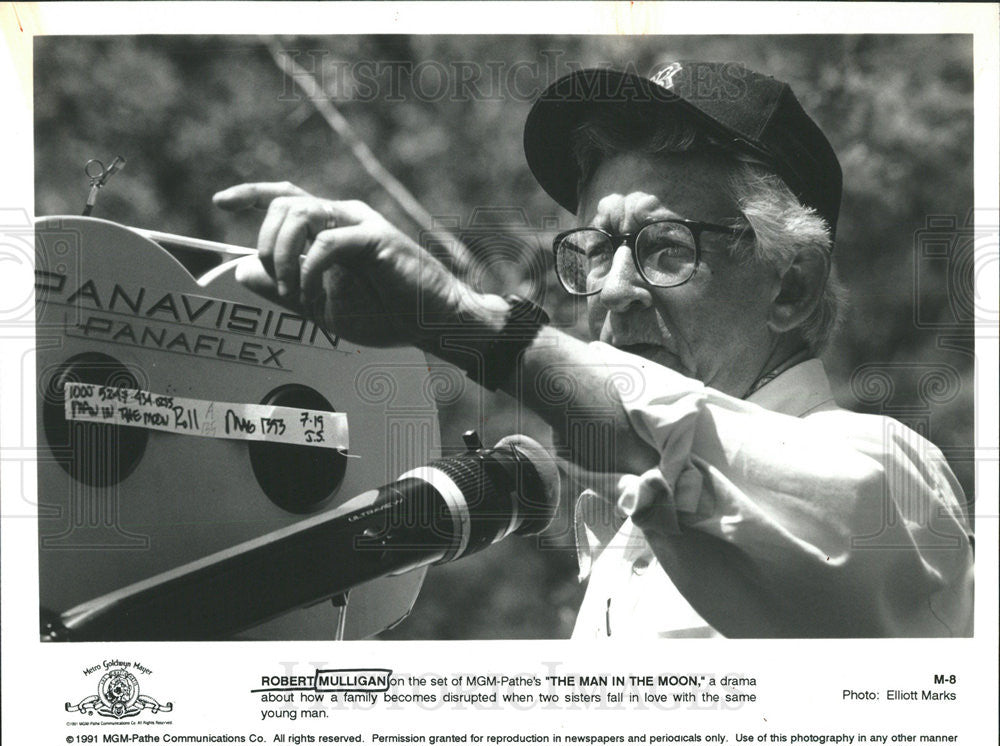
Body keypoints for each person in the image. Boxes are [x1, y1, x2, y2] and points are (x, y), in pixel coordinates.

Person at [213, 63, 973, 639]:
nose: (611, 291)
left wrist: (462, 321)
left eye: (665, 247)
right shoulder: (625, 537)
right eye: (595, 250)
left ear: (791, 287)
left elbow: (683, 437)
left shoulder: (891, 481)